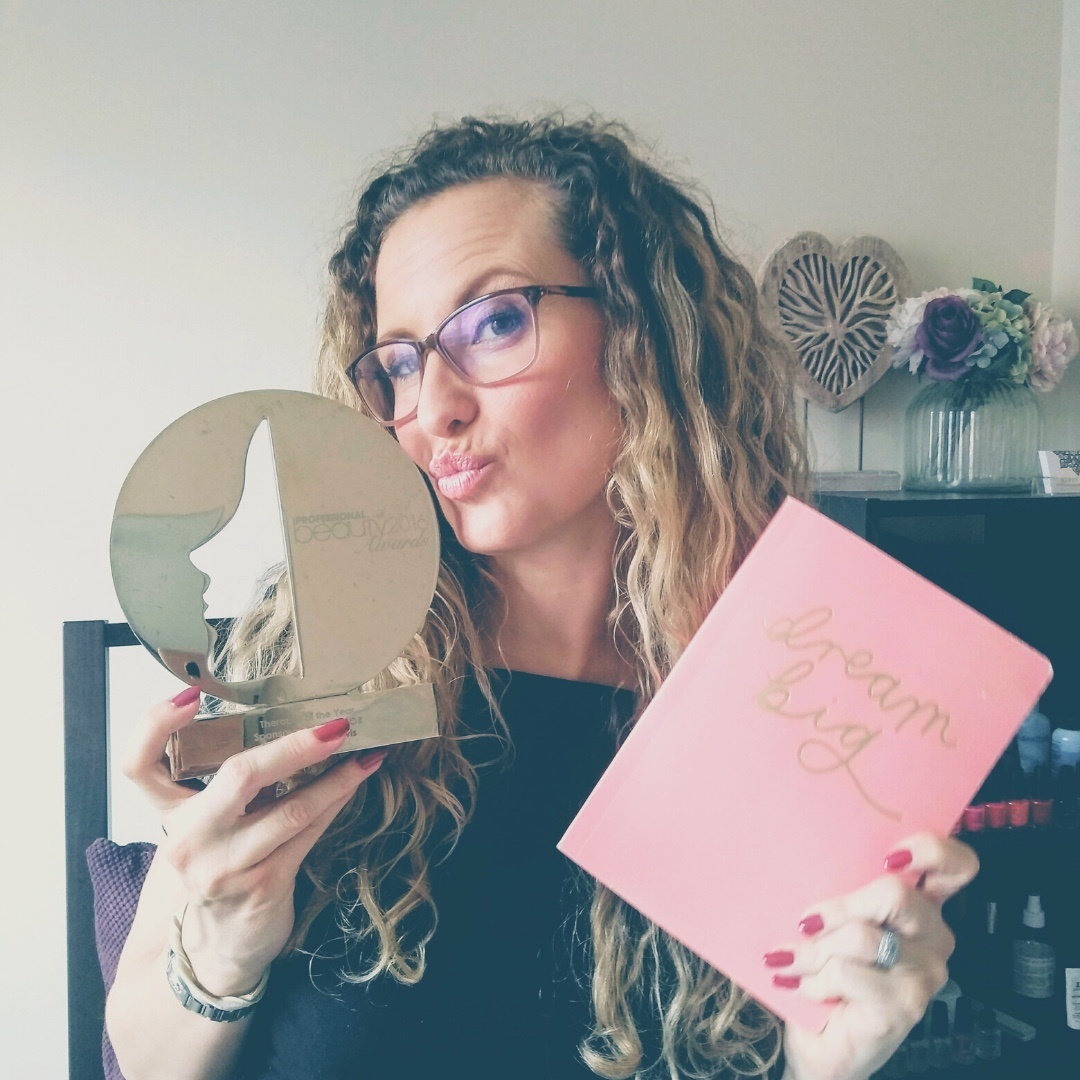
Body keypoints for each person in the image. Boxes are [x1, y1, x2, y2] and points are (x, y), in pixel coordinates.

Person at [105, 114, 977, 1080]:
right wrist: (220, 951)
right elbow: (144, 1061)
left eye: (494, 323)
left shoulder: (801, 693)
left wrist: (829, 1063)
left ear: (643, 335)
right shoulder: (310, 649)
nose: (434, 408)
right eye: (400, 362)